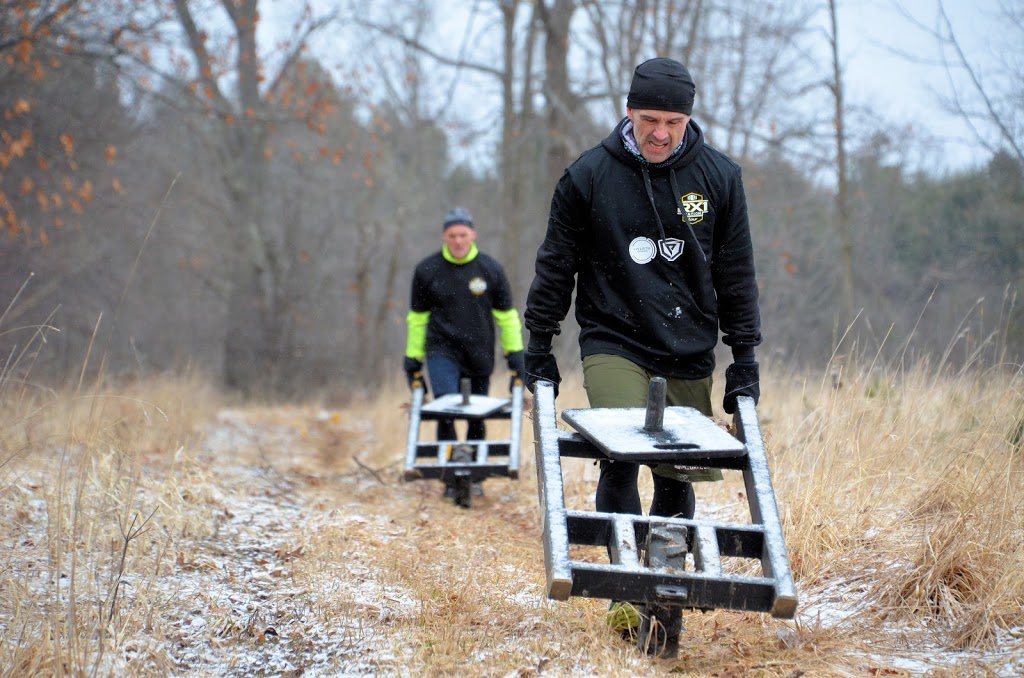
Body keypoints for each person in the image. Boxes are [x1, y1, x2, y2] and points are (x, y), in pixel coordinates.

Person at [522, 57, 762, 632]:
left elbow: (736, 276)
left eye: (673, 122)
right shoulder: (588, 177)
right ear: (628, 112)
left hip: (688, 346)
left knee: (677, 471)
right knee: (623, 450)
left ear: (688, 120)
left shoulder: (719, 179)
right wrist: (539, 343)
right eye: (650, 117)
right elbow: (557, 265)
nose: (660, 132)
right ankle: (626, 593)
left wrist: (745, 359)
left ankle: (666, 593)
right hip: (614, 338)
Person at [404, 207, 525, 496]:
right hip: (441, 351)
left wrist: (516, 355)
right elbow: (417, 319)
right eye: (452, 235)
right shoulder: (427, 270)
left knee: (476, 412)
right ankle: (450, 477)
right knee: (446, 405)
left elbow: (507, 317)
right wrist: (412, 358)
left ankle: (473, 475)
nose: (458, 241)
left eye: (463, 235)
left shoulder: (490, 269)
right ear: (444, 237)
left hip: (479, 351)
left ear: (473, 235)